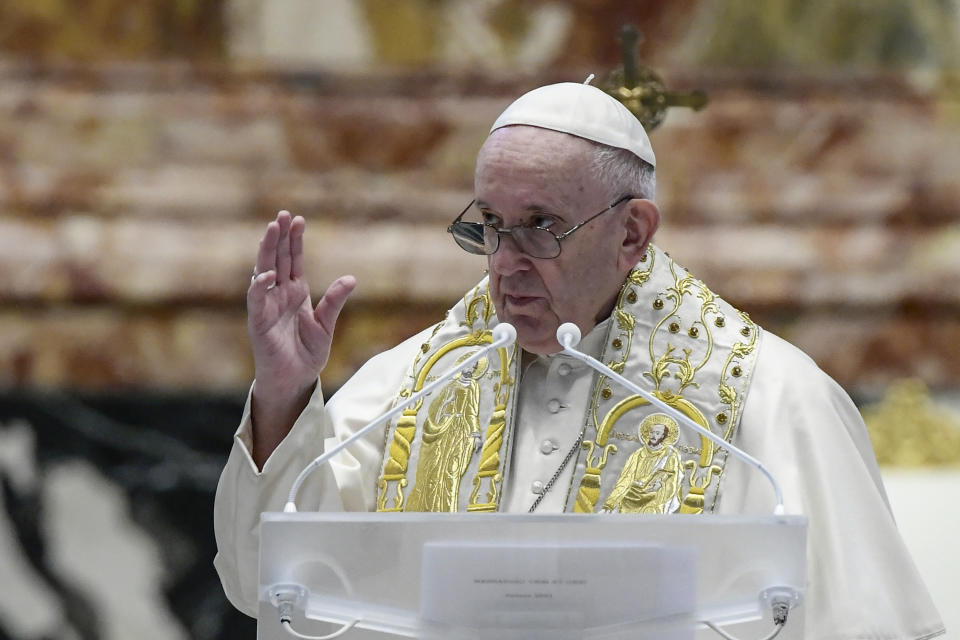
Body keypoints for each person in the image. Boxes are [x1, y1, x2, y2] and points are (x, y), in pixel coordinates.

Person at [214, 81, 944, 638]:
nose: (504, 265)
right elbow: (264, 587)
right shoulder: (412, 384)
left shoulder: (774, 398)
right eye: (490, 227)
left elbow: (864, 623)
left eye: (540, 227)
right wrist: (282, 396)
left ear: (632, 234)